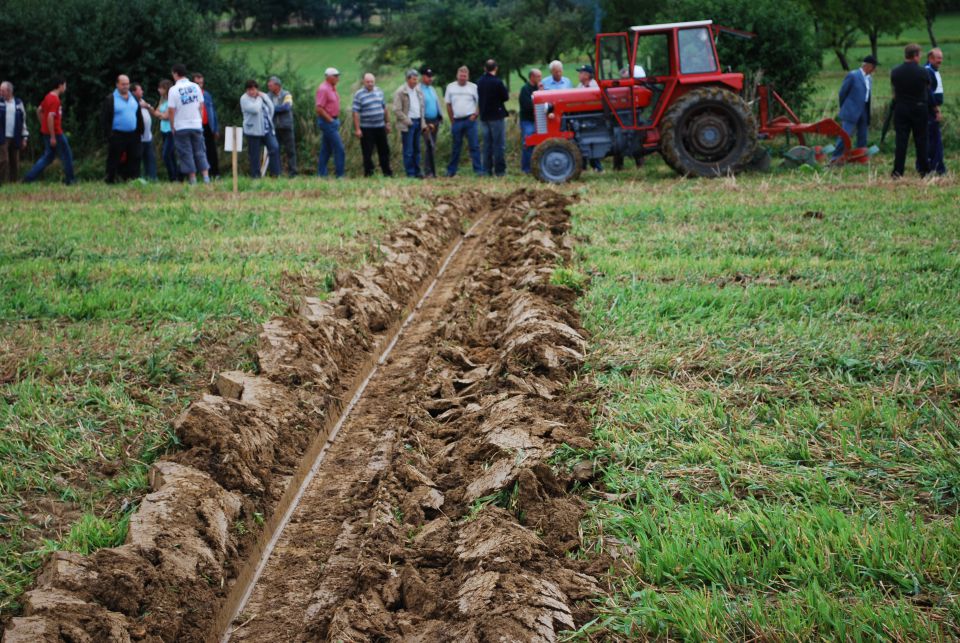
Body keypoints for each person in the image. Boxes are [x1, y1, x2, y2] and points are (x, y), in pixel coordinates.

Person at [23, 77, 75, 185]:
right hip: (56, 133)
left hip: (47, 132)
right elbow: (50, 117)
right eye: (65, 85)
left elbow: (39, 110)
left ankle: (29, 178)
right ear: (60, 85)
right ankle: (70, 180)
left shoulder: (48, 96)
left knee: (48, 157)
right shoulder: (55, 99)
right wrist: (52, 136)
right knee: (67, 155)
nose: (65, 88)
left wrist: (43, 125)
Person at [890, 44, 930, 178]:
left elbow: (894, 91)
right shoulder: (923, 72)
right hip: (919, 108)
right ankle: (924, 170)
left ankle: (898, 171)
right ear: (916, 56)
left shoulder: (895, 71)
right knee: (921, 140)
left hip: (901, 108)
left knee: (901, 141)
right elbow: (927, 89)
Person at [167, 63, 210, 185]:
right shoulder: (195, 87)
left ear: (175, 74)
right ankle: (206, 177)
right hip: (196, 124)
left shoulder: (174, 90)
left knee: (186, 152)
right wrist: (199, 120)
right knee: (200, 151)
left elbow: (171, 110)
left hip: (181, 125)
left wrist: (172, 125)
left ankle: (193, 179)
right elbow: (201, 106)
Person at [100, 74, 144, 183]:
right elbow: (105, 119)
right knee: (114, 158)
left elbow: (138, 114)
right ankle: (110, 180)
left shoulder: (133, 97)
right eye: (123, 84)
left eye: (127, 84)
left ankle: (132, 179)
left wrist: (140, 130)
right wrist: (109, 135)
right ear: (117, 85)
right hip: (117, 134)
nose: (125, 86)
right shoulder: (111, 99)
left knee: (134, 157)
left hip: (133, 134)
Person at [832, 55, 876, 160]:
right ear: (868, 66)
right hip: (851, 110)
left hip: (864, 109)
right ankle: (835, 157)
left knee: (863, 134)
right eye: (874, 67)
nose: (875, 69)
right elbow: (842, 93)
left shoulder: (869, 79)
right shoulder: (853, 75)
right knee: (845, 134)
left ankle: (860, 156)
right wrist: (845, 107)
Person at [352, 72, 392, 177]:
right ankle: (369, 174)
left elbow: (384, 108)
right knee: (367, 153)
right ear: (363, 82)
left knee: (384, 151)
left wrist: (387, 123)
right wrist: (357, 129)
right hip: (366, 128)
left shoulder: (379, 91)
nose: (370, 83)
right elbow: (355, 112)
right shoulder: (359, 94)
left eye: (372, 81)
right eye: (368, 82)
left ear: (375, 81)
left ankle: (387, 173)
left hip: (380, 126)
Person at [444, 66, 481, 177]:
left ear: (468, 76)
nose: (463, 77)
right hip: (457, 121)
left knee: (474, 146)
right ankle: (451, 171)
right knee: (456, 147)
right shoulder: (450, 87)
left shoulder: (473, 87)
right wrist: (452, 120)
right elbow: (448, 104)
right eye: (461, 75)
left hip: (470, 120)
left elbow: (480, 102)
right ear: (457, 75)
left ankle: (478, 170)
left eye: (465, 75)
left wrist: (475, 115)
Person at [240, 80, 280, 178]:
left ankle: (275, 175)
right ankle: (255, 177)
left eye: (253, 89)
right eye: (249, 89)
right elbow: (255, 109)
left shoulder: (263, 96)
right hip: (253, 131)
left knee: (274, 148)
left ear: (257, 89)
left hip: (266, 129)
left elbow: (271, 107)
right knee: (254, 155)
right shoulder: (244, 99)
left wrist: (264, 96)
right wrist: (259, 98)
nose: (251, 92)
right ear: (246, 90)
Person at [477, 59, 509, 177]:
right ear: (495, 68)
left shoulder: (479, 82)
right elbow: (505, 97)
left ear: (485, 68)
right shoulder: (497, 82)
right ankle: (500, 170)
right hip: (496, 115)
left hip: (484, 116)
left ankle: (486, 170)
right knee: (498, 144)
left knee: (487, 144)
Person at [392, 69, 426, 178]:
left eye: (416, 79)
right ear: (407, 79)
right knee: (408, 150)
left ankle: (418, 171)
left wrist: (423, 122)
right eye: (413, 79)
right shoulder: (401, 91)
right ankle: (410, 173)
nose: (415, 81)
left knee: (417, 149)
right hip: (408, 124)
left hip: (418, 121)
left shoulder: (418, 91)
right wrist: (408, 121)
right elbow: (397, 110)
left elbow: (422, 108)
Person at [316, 68, 345, 178]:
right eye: (336, 76)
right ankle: (340, 175)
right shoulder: (323, 89)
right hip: (328, 122)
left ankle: (321, 174)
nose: (338, 78)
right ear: (328, 77)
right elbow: (319, 108)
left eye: (338, 75)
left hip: (332, 121)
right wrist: (331, 120)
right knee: (339, 148)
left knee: (326, 149)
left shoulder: (332, 88)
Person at [0, 81, 29, 185]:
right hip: (2, 137)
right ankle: (3, 182)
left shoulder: (18, 103)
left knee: (14, 162)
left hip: (15, 136)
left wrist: (24, 137)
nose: (0, 93)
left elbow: (23, 120)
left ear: (9, 91)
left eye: (2, 90)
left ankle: (13, 182)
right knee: (4, 161)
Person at [267, 76, 297, 176]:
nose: (268, 86)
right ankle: (277, 173)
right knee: (275, 150)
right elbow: (267, 109)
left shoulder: (287, 94)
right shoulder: (267, 96)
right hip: (274, 127)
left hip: (286, 126)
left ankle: (293, 173)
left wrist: (273, 108)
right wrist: (275, 108)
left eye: (270, 84)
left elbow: (286, 107)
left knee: (290, 150)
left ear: (277, 85)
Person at [576, 64, 603, 172]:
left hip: (594, 118)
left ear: (587, 75)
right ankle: (584, 166)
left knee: (591, 142)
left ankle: (597, 167)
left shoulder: (595, 87)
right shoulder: (579, 87)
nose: (579, 75)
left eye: (581, 73)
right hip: (583, 118)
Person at [192, 72, 219, 178]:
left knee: (211, 150)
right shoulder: (192, 96)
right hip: (197, 126)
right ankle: (198, 173)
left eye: (201, 83)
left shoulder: (206, 95)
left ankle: (215, 173)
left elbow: (213, 112)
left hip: (208, 126)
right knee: (198, 151)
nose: (200, 85)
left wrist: (215, 128)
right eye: (197, 83)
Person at [925, 48, 946, 175]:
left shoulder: (933, 71)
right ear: (930, 58)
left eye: (941, 58)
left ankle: (936, 166)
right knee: (934, 140)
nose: (940, 60)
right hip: (930, 111)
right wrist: (936, 110)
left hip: (932, 109)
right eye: (938, 58)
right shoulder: (928, 72)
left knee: (933, 139)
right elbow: (929, 94)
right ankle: (937, 167)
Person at [153, 79, 179, 181]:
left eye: (161, 88)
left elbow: (166, 116)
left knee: (166, 155)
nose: (159, 90)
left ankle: (173, 177)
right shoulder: (162, 100)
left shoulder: (171, 101)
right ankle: (175, 177)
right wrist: (161, 115)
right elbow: (156, 112)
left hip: (170, 131)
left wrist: (160, 115)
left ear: (166, 89)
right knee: (171, 155)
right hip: (163, 131)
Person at [419, 67, 443, 178]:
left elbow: (437, 103)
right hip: (426, 121)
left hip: (435, 121)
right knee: (429, 145)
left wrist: (440, 116)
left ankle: (432, 172)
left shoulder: (432, 89)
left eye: (431, 76)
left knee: (432, 146)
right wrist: (423, 122)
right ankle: (428, 172)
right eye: (428, 77)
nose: (430, 78)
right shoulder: (419, 89)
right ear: (423, 77)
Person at [518, 69, 542, 174]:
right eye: (538, 77)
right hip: (528, 120)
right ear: (532, 77)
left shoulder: (540, 88)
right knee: (528, 143)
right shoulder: (525, 90)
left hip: (538, 120)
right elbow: (527, 106)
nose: (540, 79)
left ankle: (537, 166)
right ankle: (526, 168)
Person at [133, 83, 157, 180]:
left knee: (150, 159)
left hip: (148, 137)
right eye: (140, 90)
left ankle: (152, 178)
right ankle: (139, 178)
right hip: (138, 138)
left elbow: (153, 111)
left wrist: (147, 105)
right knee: (138, 160)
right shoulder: (132, 103)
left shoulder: (142, 101)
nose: (142, 91)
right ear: (134, 92)